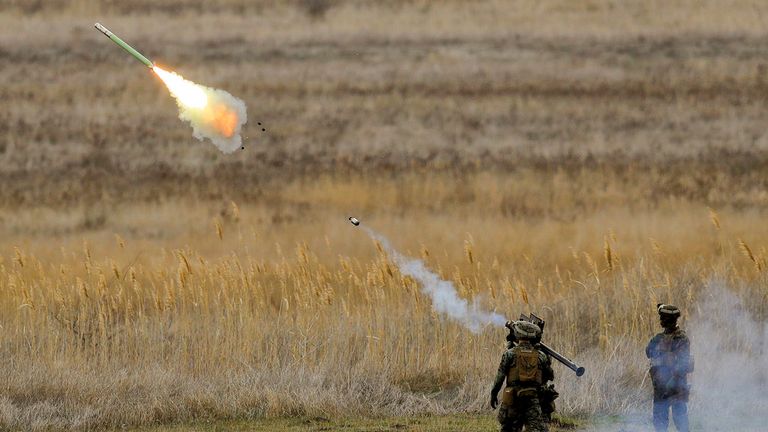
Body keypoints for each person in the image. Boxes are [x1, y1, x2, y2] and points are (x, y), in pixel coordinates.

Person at [491, 321, 554, 432]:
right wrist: (546, 356)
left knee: (509, 429)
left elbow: (499, 378)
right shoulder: (541, 355)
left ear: (517, 334)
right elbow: (550, 375)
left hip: (513, 401)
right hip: (532, 401)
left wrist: (494, 394)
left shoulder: (509, 354)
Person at [645, 304, 694, 432]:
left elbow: (682, 364)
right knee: (664, 421)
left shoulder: (679, 338)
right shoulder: (674, 338)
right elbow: (648, 352)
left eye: (663, 318)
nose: (661, 320)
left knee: (678, 419)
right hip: (664, 385)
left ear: (667, 320)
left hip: (675, 384)